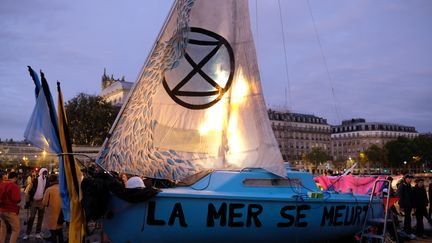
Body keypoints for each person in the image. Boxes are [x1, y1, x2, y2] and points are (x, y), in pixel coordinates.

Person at [23, 168, 49, 240]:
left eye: (45, 173)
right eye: (44, 172)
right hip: (34, 201)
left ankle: (38, 232)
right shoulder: (35, 180)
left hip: (42, 201)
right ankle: (27, 233)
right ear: (41, 173)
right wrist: (27, 202)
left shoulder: (47, 181)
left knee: (40, 218)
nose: (45, 174)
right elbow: (27, 191)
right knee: (31, 218)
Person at [0, 172, 22, 243]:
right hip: (10, 210)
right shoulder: (14, 186)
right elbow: (17, 199)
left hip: (2, 210)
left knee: (3, 228)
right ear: (15, 178)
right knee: (16, 229)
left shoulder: (1, 184)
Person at [42, 174, 63, 243]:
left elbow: (44, 202)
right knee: (60, 231)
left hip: (52, 213)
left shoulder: (49, 190)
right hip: (61, 213)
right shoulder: (61, 188)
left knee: (53, 231)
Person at [397, 174, 416, 239]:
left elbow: (412, 197)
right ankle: (407, 231)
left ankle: (407, 231)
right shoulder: (402, 186)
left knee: (408, 218)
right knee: (407, 218)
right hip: (405, 205)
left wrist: (413, 206)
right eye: (409, 178)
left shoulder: (409, 185)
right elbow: (400, 197)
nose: (410, 180)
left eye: (411, 179)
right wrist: (401, 206)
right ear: (405, 179)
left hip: (409, 205)